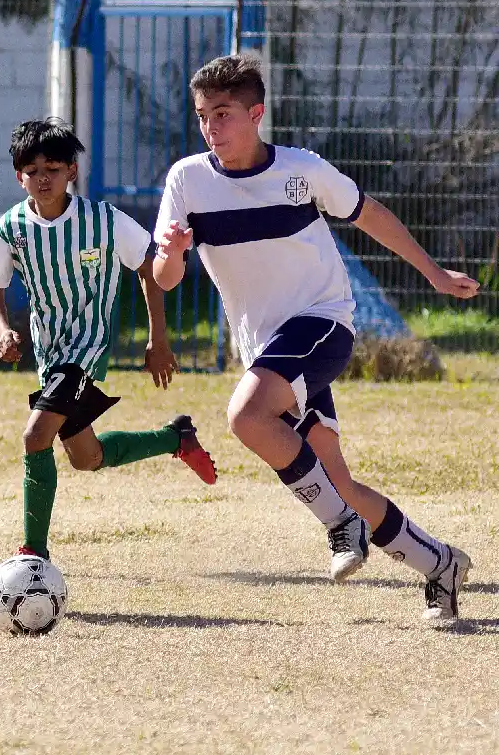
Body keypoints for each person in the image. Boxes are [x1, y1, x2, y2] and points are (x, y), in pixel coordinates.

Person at [154, 54, 479, 624]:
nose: (211, 128)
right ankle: (439, 563)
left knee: (246, 416)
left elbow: (369, 214)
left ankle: (339, 526)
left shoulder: (302, 170)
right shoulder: (187, 179)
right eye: (203, 116)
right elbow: (164, 277)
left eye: (224, 114)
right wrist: (175, 252)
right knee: (336, 478)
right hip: (264, 349)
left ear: (256, 114)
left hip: (323, 323)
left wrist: (433, 274)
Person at [0, 118, 217, 561]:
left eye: (53, 167)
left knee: (35, 437)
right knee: (86, 458)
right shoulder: (11, 227)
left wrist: (157, 340)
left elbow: (149, 268)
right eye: (32, 170)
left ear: (72, 171)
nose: (42, 178)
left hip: (87, 352)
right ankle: (174, 438)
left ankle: (33, 553)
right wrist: (3, 330)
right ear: (19, 176)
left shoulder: (103, 221)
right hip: (50, 356)